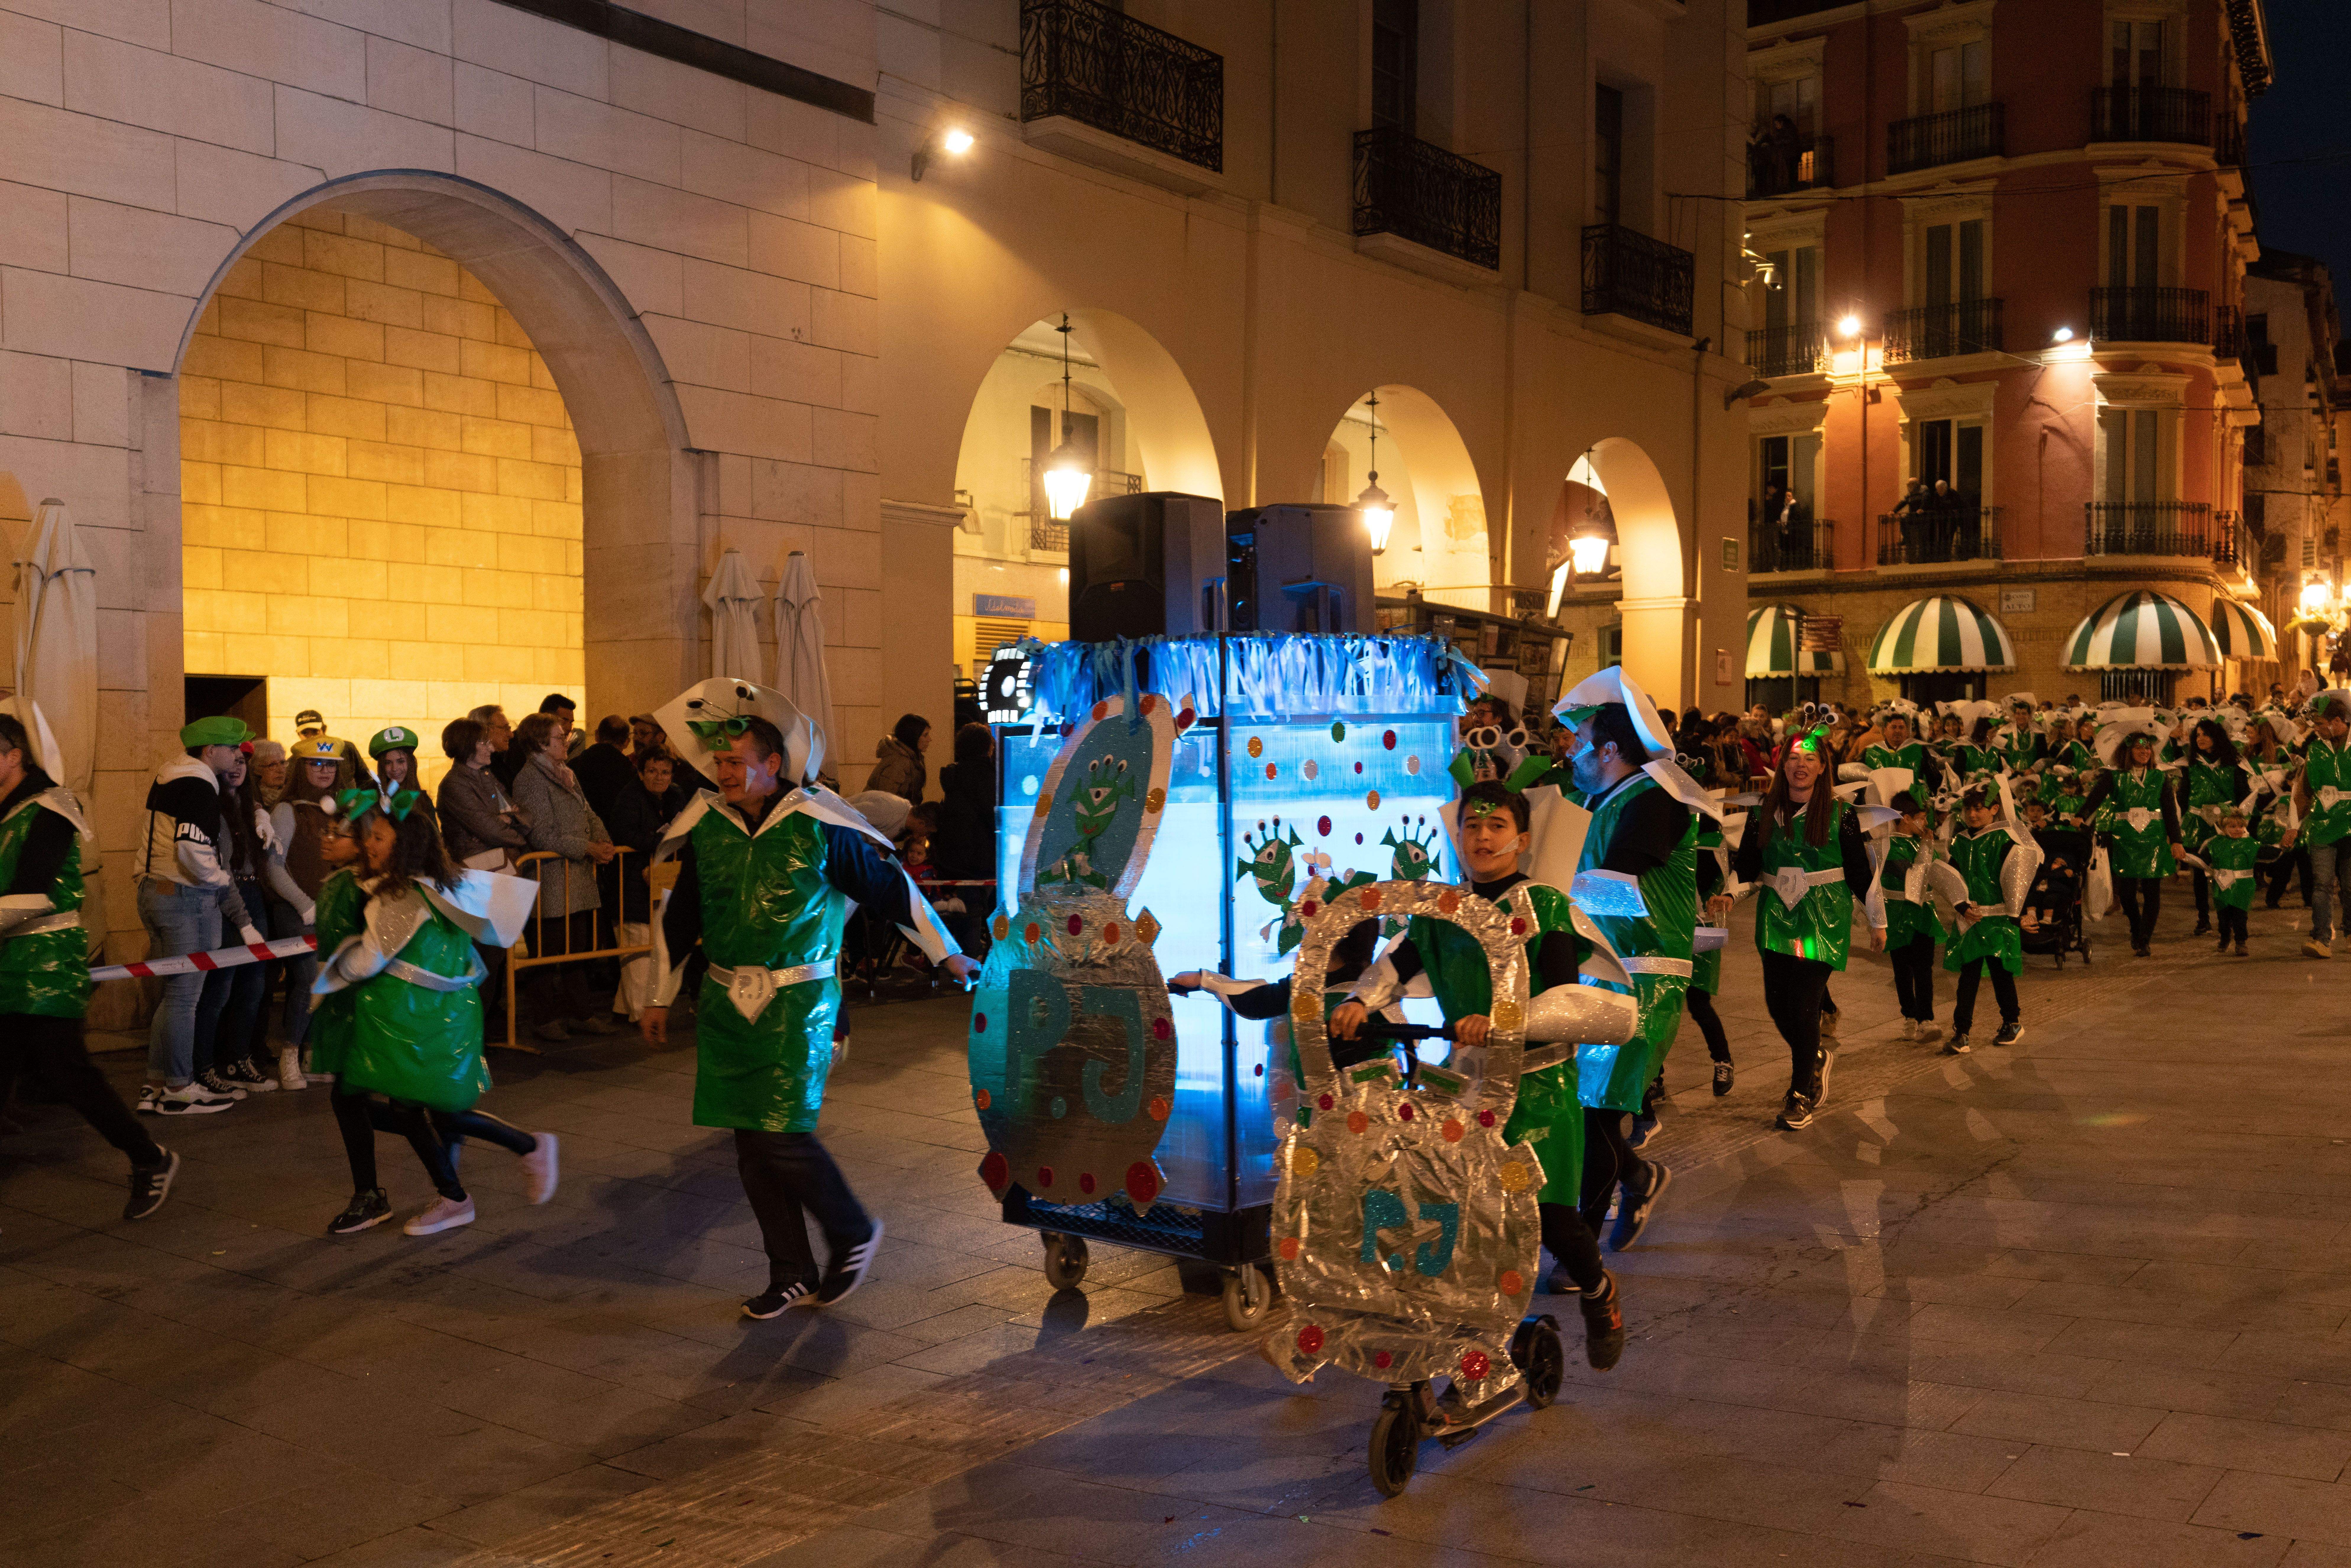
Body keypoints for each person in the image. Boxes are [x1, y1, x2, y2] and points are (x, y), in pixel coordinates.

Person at [642, 713, 977, 1316]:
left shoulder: (820, 825)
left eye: (735, 762)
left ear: (772, 765)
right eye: (718, 763)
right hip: (726, 1003)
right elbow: (681, 916)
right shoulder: (708, 828)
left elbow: (889, 888)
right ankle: (790, 1271)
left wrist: (945, 951)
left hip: (798, 1003)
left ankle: (850, 1230)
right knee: (752, 1144)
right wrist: (658, 995)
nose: (723, 773)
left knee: (781, 1133)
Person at [1332, 779, 1628, 1368]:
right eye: (1472, 826)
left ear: (1521, 839)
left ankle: (1600, 1292)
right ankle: (1473, 1333)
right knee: (1455, 1209)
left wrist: (1501, 1022)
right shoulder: (1444, 911)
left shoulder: (1544, 906)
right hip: (1464, 1085)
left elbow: (1568, 996)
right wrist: (1361, 1001)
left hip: (1539, 1087)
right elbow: (1397, 964)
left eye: (1497, 827)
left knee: (1550, 1218)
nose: (1483, 837)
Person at [311, 792, 556, 1236]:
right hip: (434, 1020)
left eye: (379, 837)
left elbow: (368, 961)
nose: (370, 844)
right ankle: (480, 1177)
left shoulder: (400, 896)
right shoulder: (443, 884)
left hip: (414, 1024)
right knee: (416, 1111)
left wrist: (329, 973)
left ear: (404, 845)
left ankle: (471, 1186)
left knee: (417, 1111)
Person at [0, 714, 182, 1217]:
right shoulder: (8, 811)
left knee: (69, 1072)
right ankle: (150, 1157)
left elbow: (32, 892)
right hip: (9, 962)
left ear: (13, 755)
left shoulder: (52, 806)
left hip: (45, 966)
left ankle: (150, 1157)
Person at [1551, 679, 1705, 1250]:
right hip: (1602, 974)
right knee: (1583, 1109)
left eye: (1578, 739)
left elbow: (1616, 890)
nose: (1568, 750)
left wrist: (1548, 889)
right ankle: (1639, 1178)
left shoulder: (1655, 799)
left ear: (1610, 749)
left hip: (1647, 978)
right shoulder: (1601, 801)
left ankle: (1580, 1255)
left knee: (1595, 1117)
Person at [1730, 725, 1880, 1130]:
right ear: (1782, 765)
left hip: (1824, 920)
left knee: (1805, 1005)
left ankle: (1800, 1094)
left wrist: (1876, 920)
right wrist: (1728, 895)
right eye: (1794, 758)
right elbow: (1746, 866)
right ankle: (1814, 1056)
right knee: (1777, 1005)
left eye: (1810, 759)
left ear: (1822, 767)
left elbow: (1860, 871)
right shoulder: (1763, 810)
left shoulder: (1842, 815)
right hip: (1775, 918)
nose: (1801, 765)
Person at [137, 717, 268, 1115]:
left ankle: (157, 1084)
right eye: (232, 749)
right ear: (210, 751)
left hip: (154, 891)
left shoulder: (170, 775)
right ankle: (178, 1089)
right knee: (183, 997)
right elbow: (191, 850)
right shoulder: (199, 783)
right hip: (182, 896)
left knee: (173, 994)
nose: (237, 756)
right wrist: (217, 880)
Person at [510, 710, 619, 1044]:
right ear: (540, 743)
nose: (566, 741)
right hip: (552, 878)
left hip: (576, 878)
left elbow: (588, 812)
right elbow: (541, 835)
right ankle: (543, 1018)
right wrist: (587, 847)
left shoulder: (566, 773)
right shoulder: (529, 780)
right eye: (560, 738)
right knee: (549, 952)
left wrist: (603, 840)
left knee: (577, 949)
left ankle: (580, 1012)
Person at [438, 717, 530, 1043]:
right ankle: (465, 1035)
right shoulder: (455, 784)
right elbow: (487, 828)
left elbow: (523, 816)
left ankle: (481, 1032)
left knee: (494, 956)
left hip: (500, 874)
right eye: (483, 742)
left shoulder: (489, 777)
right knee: (478, 958)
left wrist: (508, 824)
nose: (491, 746)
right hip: (476, 879)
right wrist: (511, 831)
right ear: (467, 747)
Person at [270, 737, 349, 1086]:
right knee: (306, 979)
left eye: (330, 764)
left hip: (330, 909)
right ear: (300, 769)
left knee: (326, 980)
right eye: (316, 764)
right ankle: (289, 1054)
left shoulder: (343, 811)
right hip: (295, 909)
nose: (324, 770)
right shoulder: (287, 810)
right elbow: (274, 867)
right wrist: (304, 905)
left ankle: (312, 1052)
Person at [1941, 785, 2041, 1054]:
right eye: (1968, 809)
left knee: (2002, 974)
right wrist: (1961, 906)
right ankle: (1961, 1033)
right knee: (1968, 976)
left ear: (1994, 810)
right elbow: (1953, 878)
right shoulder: (1958, 841)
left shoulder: (2006, 840)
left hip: (1999, 919)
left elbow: (2020, 878)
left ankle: (2012, 1022)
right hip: (1971, 920)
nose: (1972, 815)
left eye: (1979, 808)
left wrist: (2022, 913)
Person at [2082, 725, 2182, 958]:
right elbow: (2096, 796)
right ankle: (2136, 928)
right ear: (2128, 752)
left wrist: (2176, 841)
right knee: (2127, 894)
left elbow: (2169, 811)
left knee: (2152, 891)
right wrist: (2082, 814)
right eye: (2139, 748)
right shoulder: (2114, 776)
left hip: (2153, 840)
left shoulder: (2160, 777)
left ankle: (2144, 939)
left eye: (2148, 748)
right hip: (2125, 839)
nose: (2145, 752)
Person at [607, 748, 687, 1021]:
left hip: (659, 879)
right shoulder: (630, 797)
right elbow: (623, 833)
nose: (659, 778)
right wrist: (661, 840)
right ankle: (640, 1014)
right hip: (631, 879)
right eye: (652, 771)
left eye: (665, 772)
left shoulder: (676, 796)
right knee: (637, 945)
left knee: (649, 944)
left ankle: (623, 1008)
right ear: (641, 773)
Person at [1880, 791, 1947, 1043]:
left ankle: (1926, 1019)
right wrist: (1927, 850)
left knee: (1924, 968)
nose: (1926, 824)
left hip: (1923, 917)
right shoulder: (1888, 846)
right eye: (1921, 818)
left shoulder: (1922, 844)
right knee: (1902, 969)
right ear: (1906, 818)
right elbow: (1909, 874)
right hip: (1898, 918)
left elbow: (1935, 873)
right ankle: (1909, 1016)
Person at [2180, 719, 2248, 937]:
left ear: (2217, 737)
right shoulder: (2191, 764)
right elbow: (2183, 795)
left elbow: (2243, 794)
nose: (2200, 739)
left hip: (2224, 825)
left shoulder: (2233, 763)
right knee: (2200, 873)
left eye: (2205, 734)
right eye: (2197, 735)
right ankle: (2203, 918)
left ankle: (2225, 918)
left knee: (2226, 872)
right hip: (2197, 823)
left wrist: (2240, 823)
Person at [2295, 695, 2351, 958]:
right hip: (2322, 824)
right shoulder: (2315, 749)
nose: (2315, 728)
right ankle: (2322, 939)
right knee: (2322, 884)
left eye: (2320, 723)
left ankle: (2350, 932)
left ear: (2338, 722)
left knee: (2350, 885)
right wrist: (2293, 826)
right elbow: (2304, 790)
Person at [931, 722, 998, 890]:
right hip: (980, 856)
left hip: (952, 854)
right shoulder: (986, 777)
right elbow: (993, 816)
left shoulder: (954, 774)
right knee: (977, 907)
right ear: (987, 748)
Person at [2206, 809, 2259, 956]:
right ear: (2224, 828)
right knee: (2223, 917)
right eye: (2233, 827)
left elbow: (2266, 853)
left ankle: (2241, 942)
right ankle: (2225, 937)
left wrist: (2282, 847)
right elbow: (2204, 858)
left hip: (2243, 888)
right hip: (2223, 887)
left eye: (2241, 827)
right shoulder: (2215, 844)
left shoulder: (2251, 844)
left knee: (2240, 917)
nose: (2238, 830)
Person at [367, 728, 437, 830]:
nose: (395, 769)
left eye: (401, 761)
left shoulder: (424, 801)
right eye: (388, 763)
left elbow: (434, 841)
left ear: (411, 763)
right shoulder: (370, 798)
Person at [574, 715, 636, 827]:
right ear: (627, 742)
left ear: (597, 735)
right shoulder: (628, 769)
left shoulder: (576, 763)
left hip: (582, 828)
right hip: (615, 831)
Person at [294, 709, 374, 791]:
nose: (311, 737)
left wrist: (358, 800)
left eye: (315, 732)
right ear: (299, 735)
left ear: (324, 730)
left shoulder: (346, 748)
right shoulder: (296, 760)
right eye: (305, 733)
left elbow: (365, 780)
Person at [868, 712, 930, 804]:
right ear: (912, 736)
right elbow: (886, 802)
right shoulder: (899, 762)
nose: (930, 739)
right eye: (925, 735)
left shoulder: (912, 758)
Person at [251, 738, 289, 809]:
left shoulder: (292, 795)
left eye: (283, 763)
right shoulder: (252, 800)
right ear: (256, 769)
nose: (281, 770)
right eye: (273, 765)